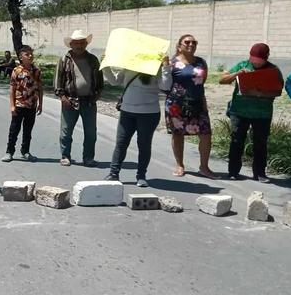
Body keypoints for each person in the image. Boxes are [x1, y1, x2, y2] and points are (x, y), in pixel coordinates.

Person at [219, 43, 284, 182]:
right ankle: (233, 171)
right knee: (236, 140)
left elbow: (278, 91)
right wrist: (238, 73)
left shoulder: (273, 70)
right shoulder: (243, 65)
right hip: (239, 111)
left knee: (260, 143)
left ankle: (260, 173)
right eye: (252, 58)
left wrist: (260, 94)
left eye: (258, 60)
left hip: (262, 114)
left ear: (266, 58)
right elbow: (222, 80)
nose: (254, 62)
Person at [104, 57, 172, 187]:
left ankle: (141, 176)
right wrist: (106, 66)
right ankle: (114, 173)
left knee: (144, 145)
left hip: (149, 113)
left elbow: (166, 85)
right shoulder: (130, 63)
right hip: (127, 111)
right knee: (121, 143)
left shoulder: (157, 66)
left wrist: (165, 66)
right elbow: (114, 81)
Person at [165, 34, 216, 178]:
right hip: (176, 104)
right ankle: (180, 165)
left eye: (194, 42)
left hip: (198, 103)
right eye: (187, 42)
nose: (191, 45)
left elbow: (201, 82)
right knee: (178, 134)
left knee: (206, 134)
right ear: (179, 45)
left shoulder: (201, 62)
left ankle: (204, 167)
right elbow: (165, 83)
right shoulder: (172, 62)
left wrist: (203, 101)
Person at [54, 29, 103, 167]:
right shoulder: (64, 59)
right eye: (77, 43)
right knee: (66, 131)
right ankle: (65, 155)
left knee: (91, 132)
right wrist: (62, 97)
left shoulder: (93, 59)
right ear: (71, 44)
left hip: (89, 101)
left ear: (86, 44)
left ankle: (88, 158)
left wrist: (97, 94)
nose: (80, 46)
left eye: (82, 43)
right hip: (70, 100)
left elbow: (99, 80)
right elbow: (58, 81)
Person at [2, 45, 42, 162]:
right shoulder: (16, 71)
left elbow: (40, 88)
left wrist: (40, 103)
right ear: (21, 57)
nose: (30, 56)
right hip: (19, 105)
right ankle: (9, 152)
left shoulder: (36, 71)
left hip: (31, 105)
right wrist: (12, 105)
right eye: (27, 54)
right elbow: (12, 89)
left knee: (28, 131)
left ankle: (25, 151)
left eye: (31, 54)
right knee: (14, 130)